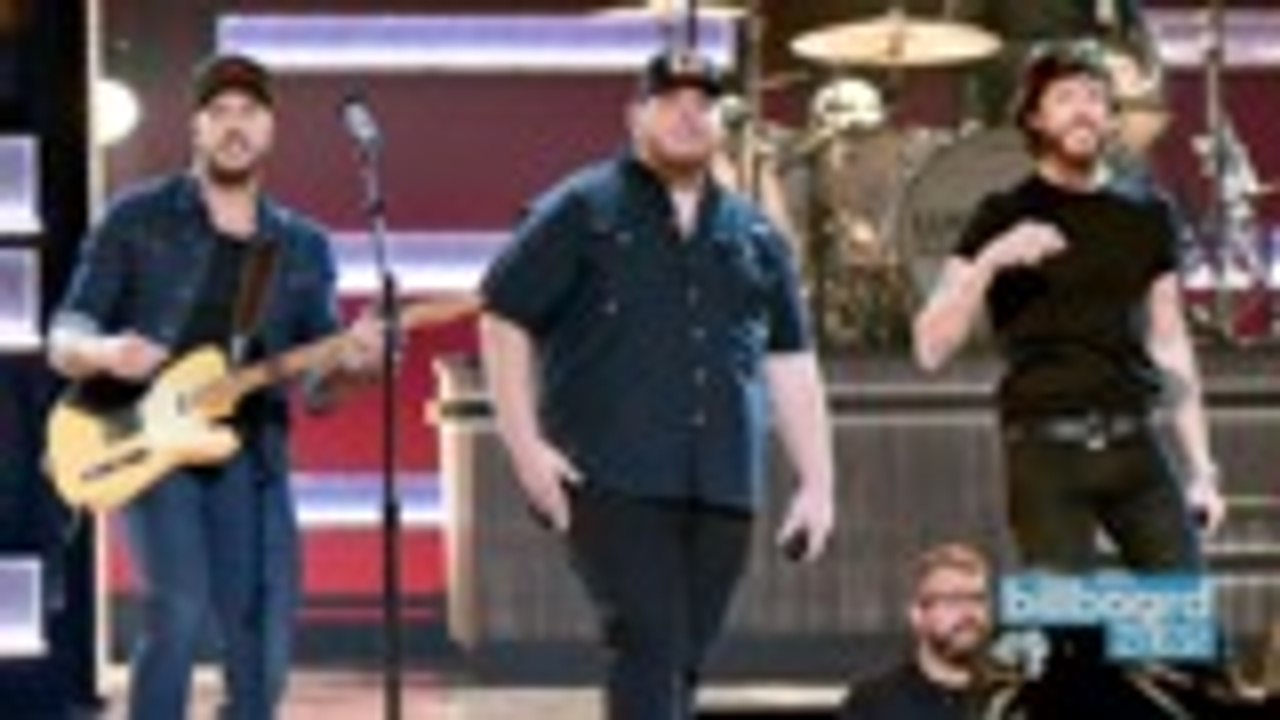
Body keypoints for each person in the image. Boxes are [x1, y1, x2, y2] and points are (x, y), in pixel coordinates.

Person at [479, 49, 836, 720]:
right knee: (649, 644)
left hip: (723, 481)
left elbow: (791, 360)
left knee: (683, 660)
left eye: (703, 105)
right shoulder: (581, 207)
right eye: (669, 102)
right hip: (612, 476)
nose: (687, 117)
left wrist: (817, 484)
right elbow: (503, 317)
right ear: (635, 116)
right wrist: (526, 449)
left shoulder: (756, 233)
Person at [47, 54, 381, 719]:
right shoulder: (137, 217)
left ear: (270, 129)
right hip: (150, 443)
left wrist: (359, 362)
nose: (234, 127)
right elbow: (66, 332)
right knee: (177, 607)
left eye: (249, 113)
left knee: (265, 629)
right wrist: (106, 350)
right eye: (219, 113)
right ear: (196, 127)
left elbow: (318, 384)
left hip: (252, 457)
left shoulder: (302, 245)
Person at [914, 40, 1225, 574]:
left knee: (1181, 616)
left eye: (1095, 98)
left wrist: (1201, 470)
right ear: (1035, 118)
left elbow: (1170, 341)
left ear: (1111, 118)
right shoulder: (1001, 214)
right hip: (1045, 451)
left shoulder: (1148, 213)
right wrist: (991, 260)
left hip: (1135, 442)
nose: (1083, 110)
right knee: (1062, 619)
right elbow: (929, 349)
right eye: (1065, 98)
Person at [839, 543, 997, 720]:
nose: (968, 612)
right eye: (953, 599)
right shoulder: (872, 705)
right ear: (917, 615)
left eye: (978, 599)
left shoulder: (1014, 699)